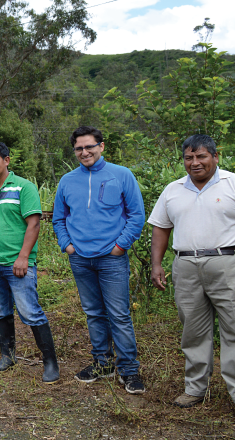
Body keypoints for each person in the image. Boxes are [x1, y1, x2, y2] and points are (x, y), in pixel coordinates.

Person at [149, 134, 235, 421]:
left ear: (215, 157)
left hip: (230, 263)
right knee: (193, 330)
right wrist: (156, 264)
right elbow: (161, 227)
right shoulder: (173, 190)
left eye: (201, 156)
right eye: (189, 157)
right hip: (186, 265)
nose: (195, 162)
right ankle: (195, 388)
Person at [52, 126, 146, 393]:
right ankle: (103, 363)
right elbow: (59, 218)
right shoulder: (67, 180)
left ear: (101, 146)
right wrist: (67, 246)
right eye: (79, 148)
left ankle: (129, 370)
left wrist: (120, 246)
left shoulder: (121, 175)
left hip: (111, 258)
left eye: (89, 147)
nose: (84, 152)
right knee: (93, 313)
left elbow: (136, 215)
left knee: (119, 314)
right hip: (80, 258)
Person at [0, 142, 60, 384]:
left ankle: (50, 363)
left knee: (30, 311)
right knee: (0, 311)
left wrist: (23, 257)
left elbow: (34, 224)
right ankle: (8, 356)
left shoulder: (23, 187)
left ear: (6, 160)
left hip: (18, 263)